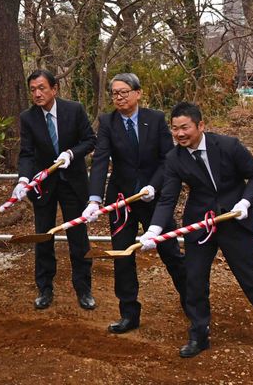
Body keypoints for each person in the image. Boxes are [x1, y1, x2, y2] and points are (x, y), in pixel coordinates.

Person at [141, 101, 253, 358]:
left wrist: (245, 202)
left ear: (200, 125)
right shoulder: (174, 158)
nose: (180, 134)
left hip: (234, 219)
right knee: (194, 279)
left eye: (185, 128)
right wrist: (154, 230)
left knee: (251, 278)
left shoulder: (228, 146)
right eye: (175, 129)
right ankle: (199, 335)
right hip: (200, 223)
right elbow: (168, 197)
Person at [82, 73, 186, 334]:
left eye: (124, 92)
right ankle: (129, 313)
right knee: (122, 257)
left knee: (171, 253)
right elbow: (101, 160)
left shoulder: (156, 119)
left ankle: (192, 302)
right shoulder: (108, 122)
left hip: (153, 200)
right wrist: (95, 198)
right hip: (122, 201)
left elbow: (168, 158)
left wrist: (155, 185)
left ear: (138, 93)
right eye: (115, 93)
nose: (119, 97)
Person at [14, 69, 97, 311]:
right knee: (44, 235)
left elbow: (90, 140)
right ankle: (45, 288)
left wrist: (72, 153)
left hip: (73, 183)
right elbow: (27, 153)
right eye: (33, 90)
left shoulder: (74, 110)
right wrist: (22, 180)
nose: (37, 94)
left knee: (78, 237)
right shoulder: (28, 117)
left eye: (41, 88)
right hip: (44, 186)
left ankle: (83, 289)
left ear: (54, 89)